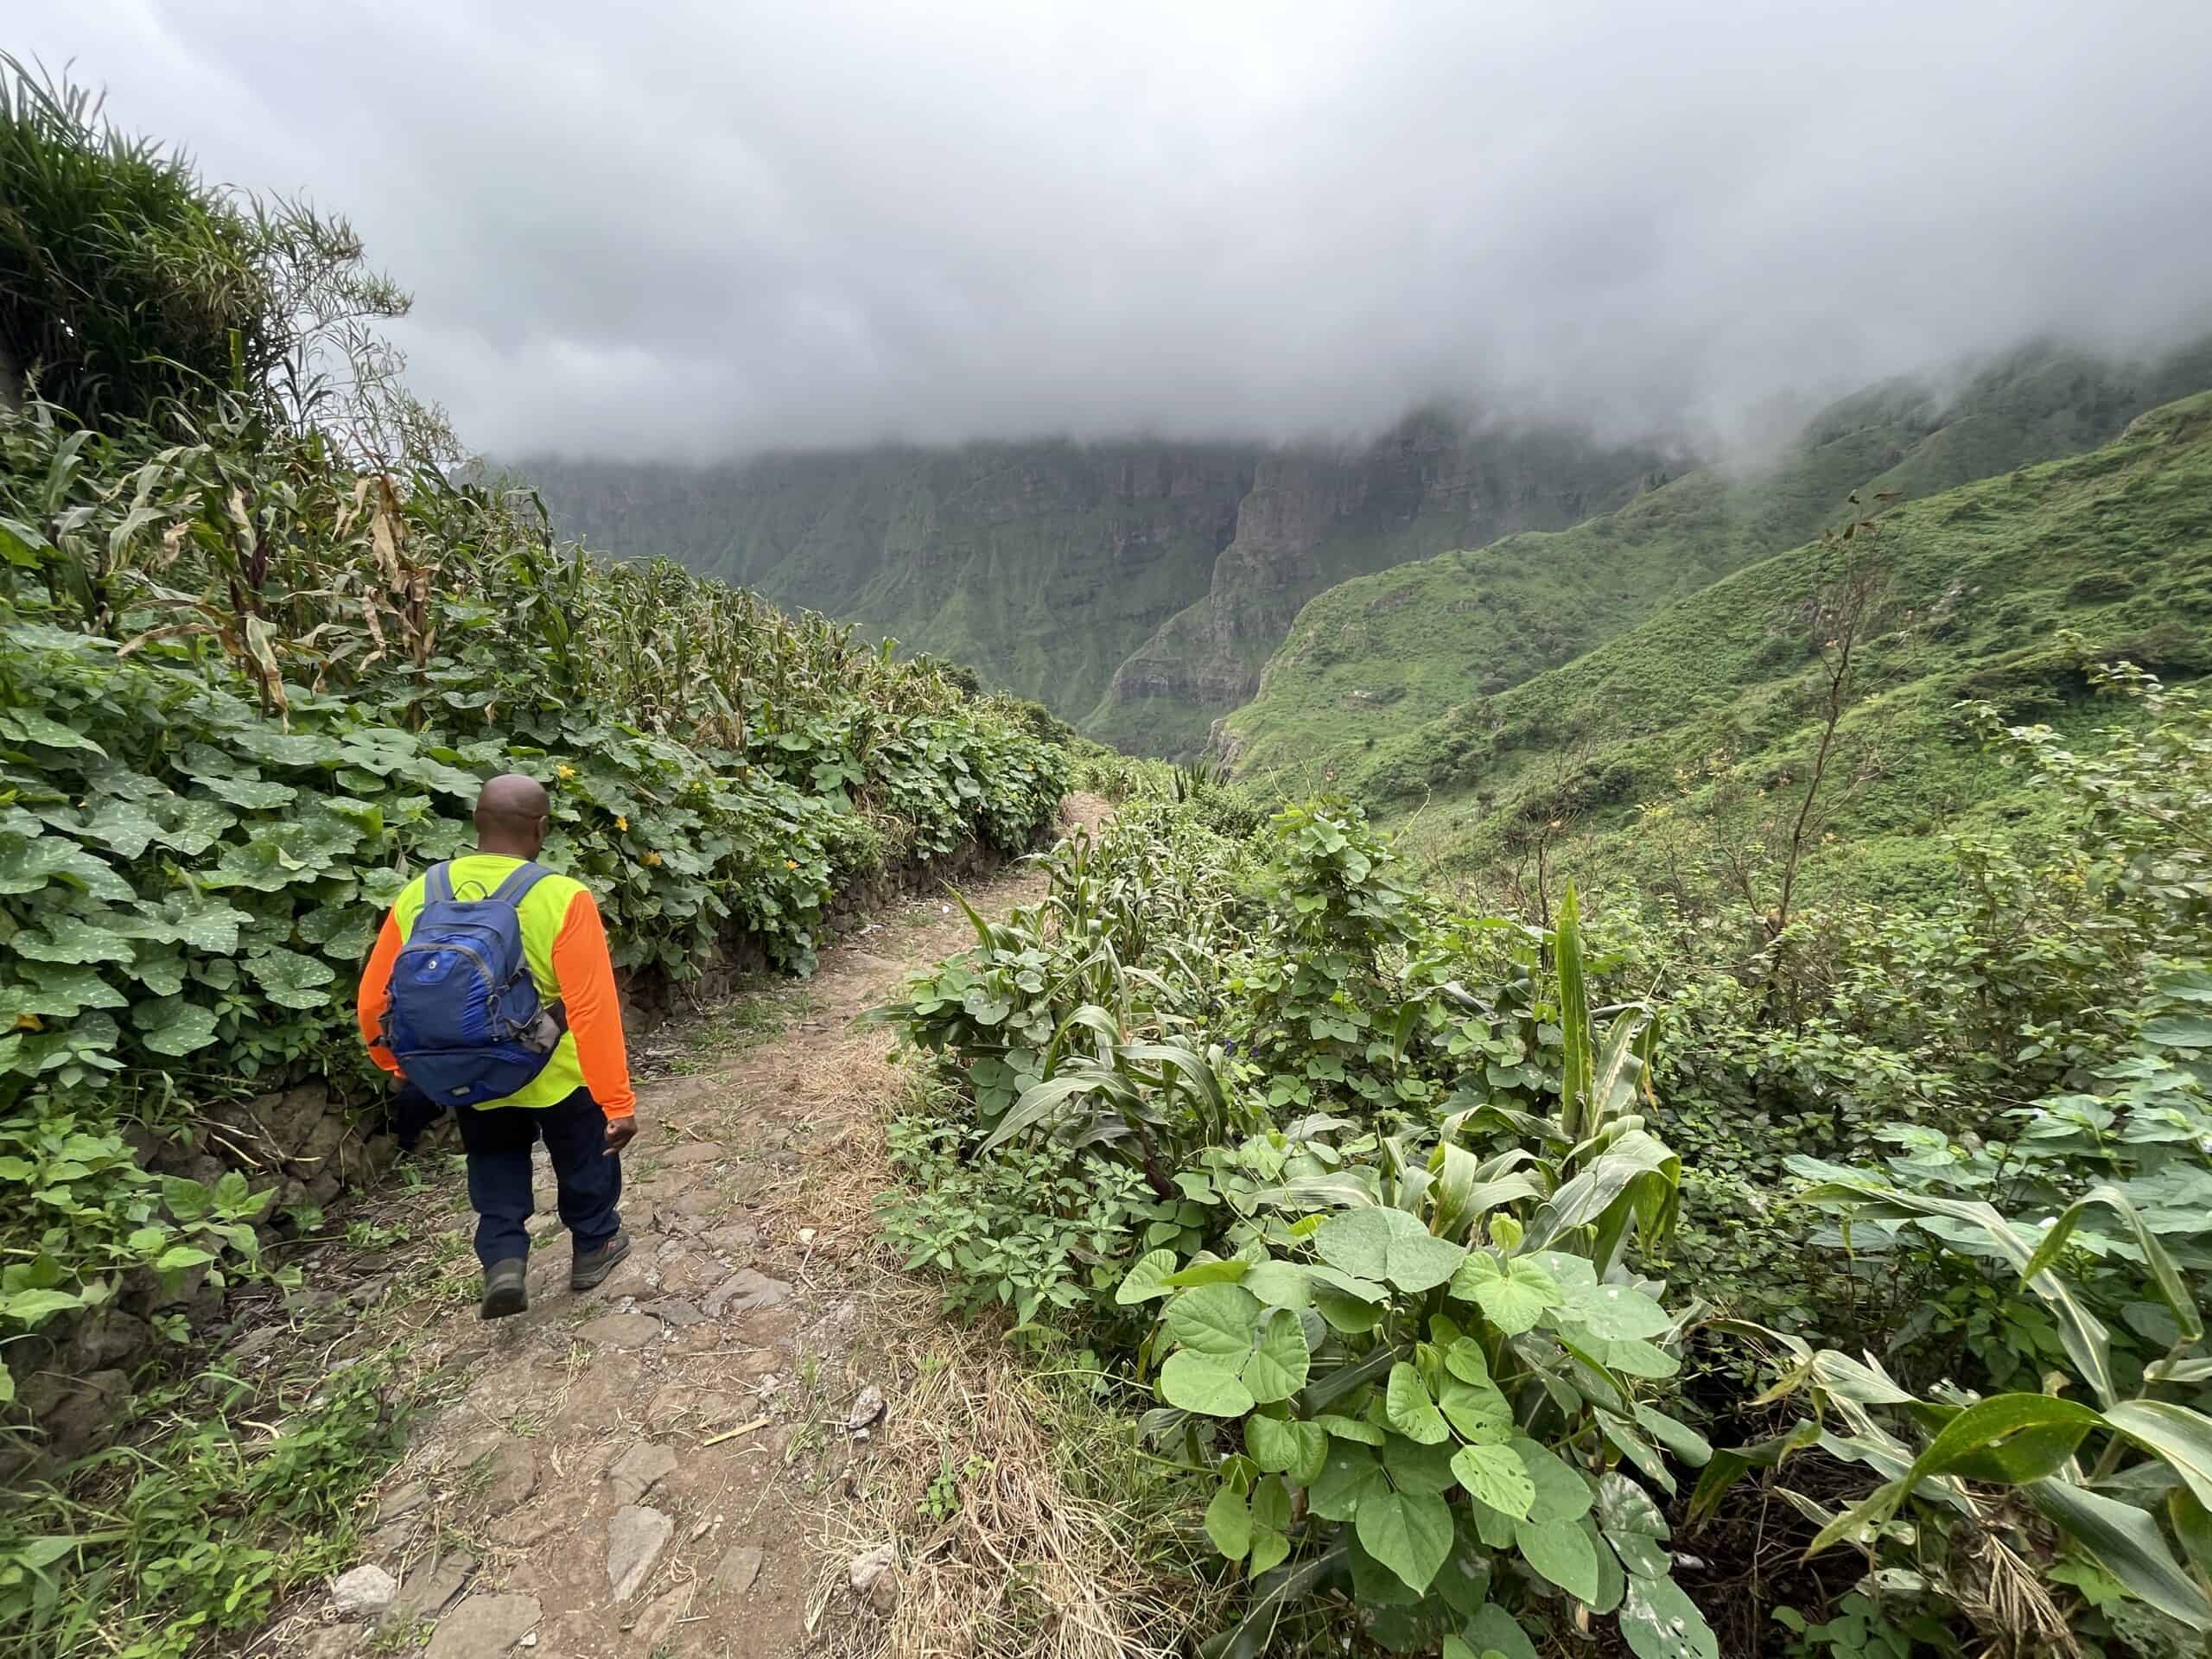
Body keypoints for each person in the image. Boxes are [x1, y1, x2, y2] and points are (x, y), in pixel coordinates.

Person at [356, 773, 639, 1319]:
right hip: (553, 1070)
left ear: (477, 823)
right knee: (584, 1158)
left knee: (493, 1160)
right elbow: (592, 1009)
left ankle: (505, 1259)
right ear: (541, 829)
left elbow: (374, 996)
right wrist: (617, 1102)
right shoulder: (562, 896)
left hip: (472, 1070)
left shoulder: (423, 891)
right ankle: (594, 1245)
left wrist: (396, 1064)